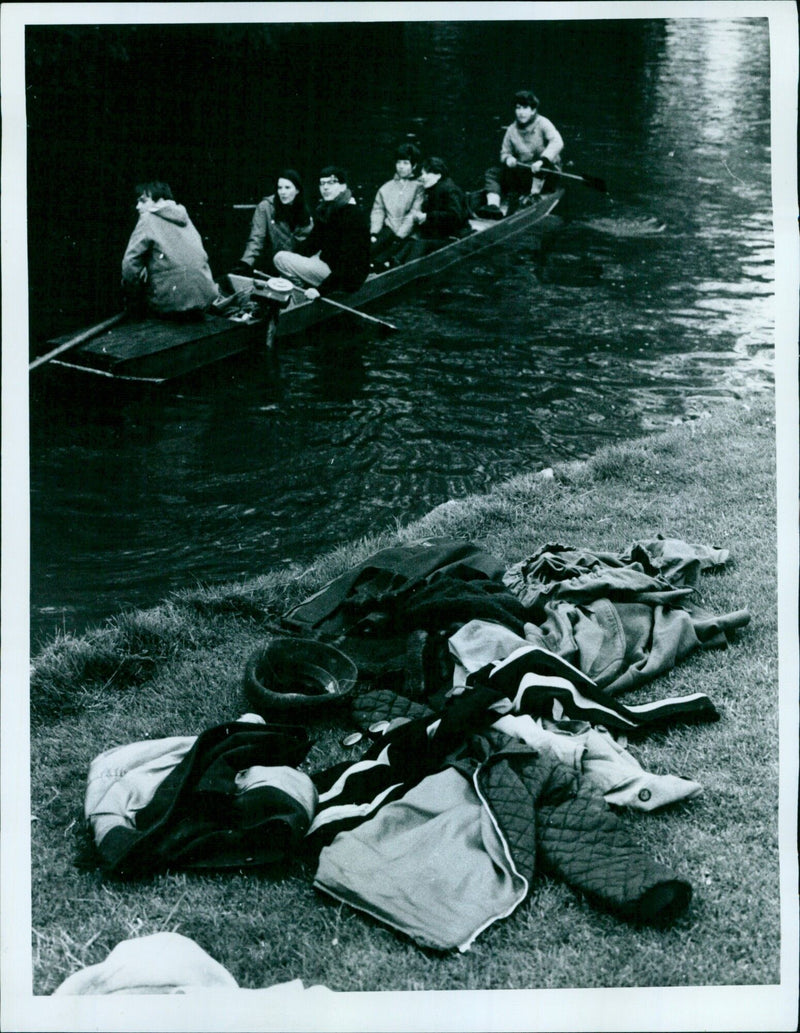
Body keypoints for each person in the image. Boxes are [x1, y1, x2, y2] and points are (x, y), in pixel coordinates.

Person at [121, 181, 218, 318]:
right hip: (204, 297)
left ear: (159, 200)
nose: (138, 207)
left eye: (143, 201)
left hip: (171, 302)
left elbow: (130, 264)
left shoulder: (147, 218)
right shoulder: (184, 216)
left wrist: (131, 294)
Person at [273, 165, 370, 299]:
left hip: (349, 278)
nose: (325, 187)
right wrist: (287, 264)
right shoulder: (326, 210)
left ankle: (301, 294)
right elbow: (312, 244)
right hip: (330, 267)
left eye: (331, 182)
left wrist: (321, 290)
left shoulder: (353, 216)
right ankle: (299, 287)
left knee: (280, 258)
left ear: (343, 186)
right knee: (283, 258)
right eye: (322, 183)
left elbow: (348, 264)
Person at [479, 90, 564, 219]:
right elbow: (504, 152)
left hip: (545, 171)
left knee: (539, 171)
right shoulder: (511, 129)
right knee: (492, 173)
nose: (521, 112)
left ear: (533, 110)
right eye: (518, 108)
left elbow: (557, 142)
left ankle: (533, 197)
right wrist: (508, 159)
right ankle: (493, 206)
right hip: (525, 171)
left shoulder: (543, 123)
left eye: (525, 108)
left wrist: (542, 160)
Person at [231, 169, 313, 276]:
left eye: (287, 188)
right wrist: (246, 262)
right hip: (270, 264)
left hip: (294, 267)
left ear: (297, 190)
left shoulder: (304, 210)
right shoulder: (266, 207)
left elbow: (309, 244)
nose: (282, 192)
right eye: (280, 187)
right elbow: (256, 239)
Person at [369, 143, 425, 270]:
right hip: (389, 230)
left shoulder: (419, 187)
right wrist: (374, 232)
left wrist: (399, 236)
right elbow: (378, 211)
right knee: (370, 249)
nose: (401, 167)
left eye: (405, 163)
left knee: (389, 256)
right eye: (399, 162)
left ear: (414, 165)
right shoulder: (386, 187)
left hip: (409, 234)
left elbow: (413, 214)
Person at [405, 156, 472, 258]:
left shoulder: (449, 190)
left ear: (438, 175)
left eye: (426, 173)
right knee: (410, 243)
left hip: (453, 236)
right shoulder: (432, 189)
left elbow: (455, 216)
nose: (422, 177)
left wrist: (427, 217)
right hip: (439, 234)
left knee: (419, 245)